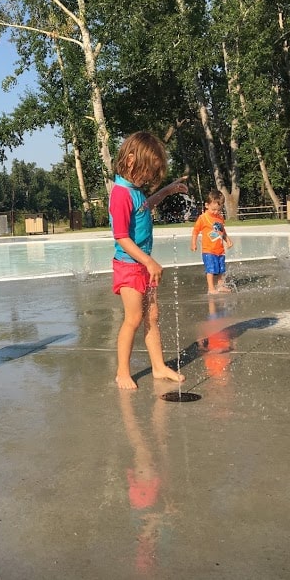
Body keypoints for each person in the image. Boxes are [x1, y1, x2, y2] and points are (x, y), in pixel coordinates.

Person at [109, 131, 188, 390]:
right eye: (147, 172)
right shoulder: (120, 193)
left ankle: (158, 366)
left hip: (143, 265)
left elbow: (144, 207)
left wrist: (165, 191)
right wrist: (149, 261)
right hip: (130, 266)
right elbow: (121, 237)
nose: (149, 178)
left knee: (152, 315)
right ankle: (122, 372)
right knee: (133, 319)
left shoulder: (135, 191)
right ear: (131, 160)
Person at [190, 189, 233, 294]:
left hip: (219, 250)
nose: (216, 212)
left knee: (221, 269)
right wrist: (193, 243)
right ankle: (211, 288)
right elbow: (195, 231)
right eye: (214, 209)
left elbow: (222, 231)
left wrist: (227, 240)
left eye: (219, 210)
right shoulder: (203, 218)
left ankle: (220, 285)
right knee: (210, 270)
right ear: (207, 205)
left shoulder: (220, 218)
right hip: (208, 250)